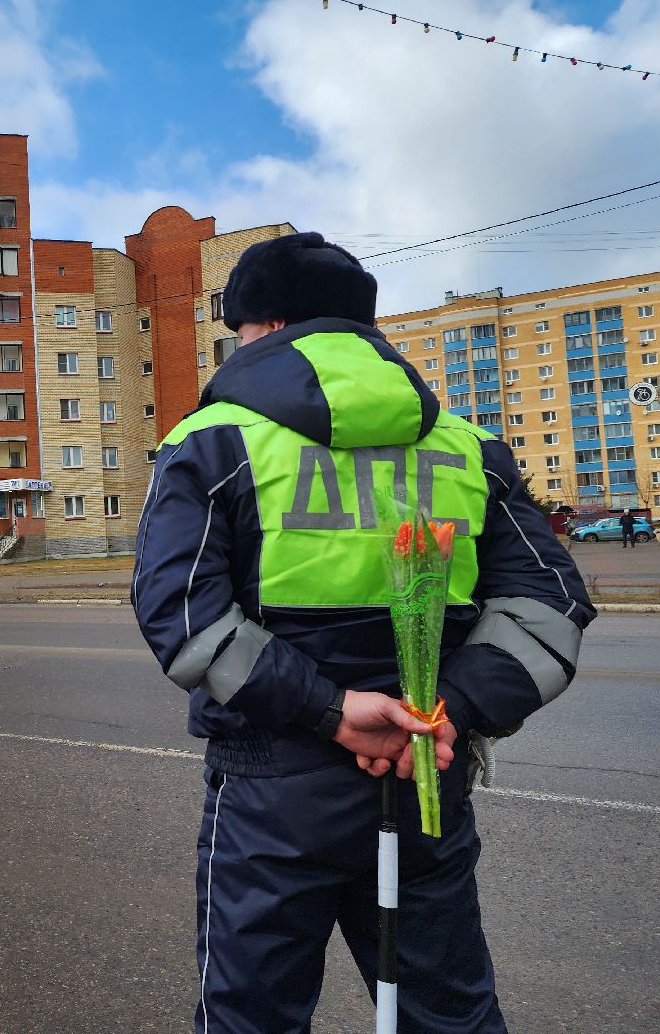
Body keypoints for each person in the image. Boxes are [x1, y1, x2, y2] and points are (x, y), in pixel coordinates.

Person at [132, 232, 595, 1033]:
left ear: (264, 327)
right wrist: (444, 708)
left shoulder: (212, 440)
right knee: (447, 1012)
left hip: (273, 786)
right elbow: (550, 606)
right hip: (427, 769)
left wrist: (332, 710)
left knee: (253, 1017)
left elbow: (182, 617)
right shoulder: (469, 446)